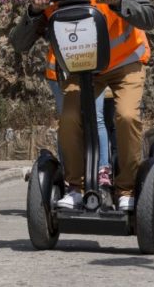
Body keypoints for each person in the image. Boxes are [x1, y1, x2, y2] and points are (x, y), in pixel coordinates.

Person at [9, 0, 154, 211]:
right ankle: (75, 187)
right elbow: (19, 43)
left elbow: (149, 15)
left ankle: (125, 189)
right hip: (83, 69)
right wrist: (33, 12)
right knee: (70, 118)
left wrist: (118, 2)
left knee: (125, 116)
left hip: (125, 64)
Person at [42, 43, 114, 188]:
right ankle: (69, 172)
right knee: (67, 121)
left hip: (93, 68)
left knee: (97, 118)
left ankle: (103, 169)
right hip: (61, 72)